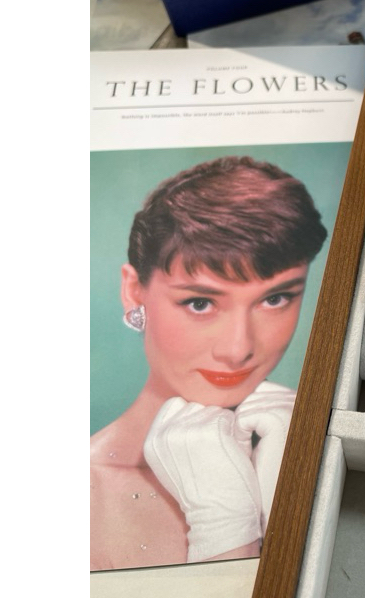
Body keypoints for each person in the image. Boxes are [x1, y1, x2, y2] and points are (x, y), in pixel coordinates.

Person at [90, 156, 327, 571]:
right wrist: (225, 526)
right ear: (134, 291)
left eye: (275, 299)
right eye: (200, 303)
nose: (238, 349)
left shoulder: (318, 452)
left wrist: (292, 492)